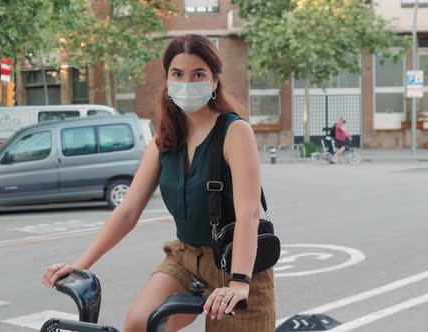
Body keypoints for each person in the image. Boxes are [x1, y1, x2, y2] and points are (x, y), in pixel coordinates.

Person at [42, 35, 275, 331]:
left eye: (198, 74)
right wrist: (81, 264)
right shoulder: (164, 139)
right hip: (186, 257)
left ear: (215, 81)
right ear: (167, 80)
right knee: (139, 324)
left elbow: (249, 213)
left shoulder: (235, 132)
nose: (187, 82)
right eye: (178, 74)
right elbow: (127, 211)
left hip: (237, 261)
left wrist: (240, 283)